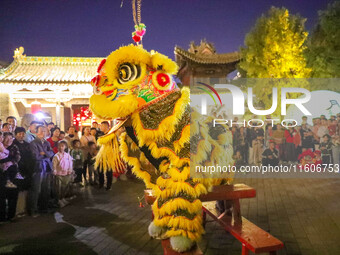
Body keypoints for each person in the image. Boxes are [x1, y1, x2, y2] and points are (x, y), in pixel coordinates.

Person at [29, 125, 54, 216]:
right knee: (36, 189)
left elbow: (51, 154)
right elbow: (36, 156)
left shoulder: (46, 143)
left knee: (46, 188)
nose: (44, 132)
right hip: (38, 167)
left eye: (44, 131)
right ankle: (33, 210)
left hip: (47, 167)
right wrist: (45, 155)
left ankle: (44, 208)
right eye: (41, 131)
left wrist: (44, 153)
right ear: (36, 132)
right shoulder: (33, 143)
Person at [13, 127, 35, 217]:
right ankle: (19, 210)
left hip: (28, 170)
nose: (21, 135)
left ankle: (25, 209)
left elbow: (31, 157)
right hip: (18, 170)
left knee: (26, 189)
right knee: (19, 190)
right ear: (15, 134)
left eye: (23, 134)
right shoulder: (13, 144)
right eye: (19, 134)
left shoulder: (27, 144)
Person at [0, 132, 20, 222]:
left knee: (13, 194)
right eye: (7, 138)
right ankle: (3, 217)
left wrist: (9, 162)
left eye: (11, 138)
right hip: (2, 175)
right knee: (2, 196)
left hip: (13, 174)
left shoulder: (14, 147)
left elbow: (17, 158)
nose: (9, 140)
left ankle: (11, 215)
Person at [52, 141, 73, 208]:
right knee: (59, 188)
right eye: (59, 146)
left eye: (62, 146)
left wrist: (70, 169)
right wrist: (54, 170)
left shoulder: (67, 155)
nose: (61, 147)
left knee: (65, 187)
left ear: (65, 147)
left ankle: (62, 198)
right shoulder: (56, 156)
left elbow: (70, 163)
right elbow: (54, 164)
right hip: (59, 174)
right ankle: (59, 200)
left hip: (66, 173)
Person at [98, 122, 114, 189]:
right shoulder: (100, 134)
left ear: (106, 126)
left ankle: (108, 185)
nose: (100, 127)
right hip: (100, 155)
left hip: (108, 155)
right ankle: (101, 183)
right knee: (100, 169)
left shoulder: (111, 134)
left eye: (101, 126)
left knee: (108, 171)